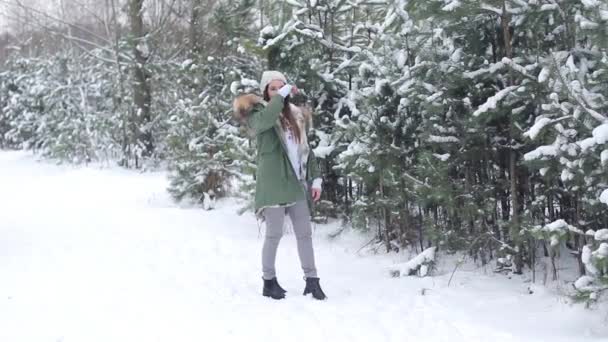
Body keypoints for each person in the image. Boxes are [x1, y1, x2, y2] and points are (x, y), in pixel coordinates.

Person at [233, 71, 327, 300]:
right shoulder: (258, 113)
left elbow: (305, 150)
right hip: (273, 183)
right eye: (273, 88)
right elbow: (265, 121)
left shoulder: (295, 115)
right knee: (273, 235)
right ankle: (269, 281)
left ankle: (312, 281)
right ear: (266, 91)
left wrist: (315, 178)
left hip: (295, 183)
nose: (278, 92)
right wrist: (280, 96)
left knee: (304, 234)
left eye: (281, 87)